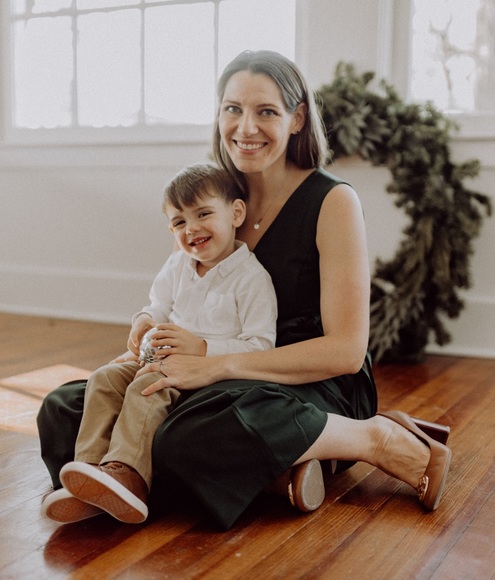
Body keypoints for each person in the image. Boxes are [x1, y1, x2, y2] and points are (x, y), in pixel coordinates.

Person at [38, 50, 452, 531]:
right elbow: (180, 292)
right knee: (66, 409)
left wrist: (213, 364)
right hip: (214, 375)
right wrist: (151, 339)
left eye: (266, 112)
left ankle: (371, 438)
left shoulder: (333, 200)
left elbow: (345, 352)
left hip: (309, 378)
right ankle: (279, 473)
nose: (245, 127)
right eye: (232, 109)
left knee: (186, 435)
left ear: (298, 119)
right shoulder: (210, 196)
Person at [42, 163, 277, 524]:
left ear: (236, 213)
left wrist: (202, 348)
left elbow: (261, 346)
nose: (191, 228)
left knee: (147, 387)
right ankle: (89, 472)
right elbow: (157, 305)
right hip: (156, 358)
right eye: (179, 222)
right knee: (104, 378)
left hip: (202, 373)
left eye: (203, 214)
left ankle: (129, 476)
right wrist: (144, 320)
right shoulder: (178, 265)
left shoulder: (251, 278)